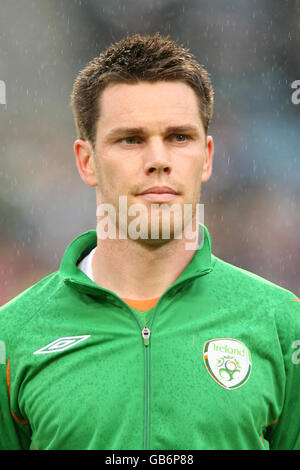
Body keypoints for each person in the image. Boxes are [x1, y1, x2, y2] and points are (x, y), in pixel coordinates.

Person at [0, 33, 299, 451]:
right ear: (87, 161)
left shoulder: (283, 324)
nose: (158, 159)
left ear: (208, 156)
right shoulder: (12, 336)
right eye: (131, 139)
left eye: (179, 137)